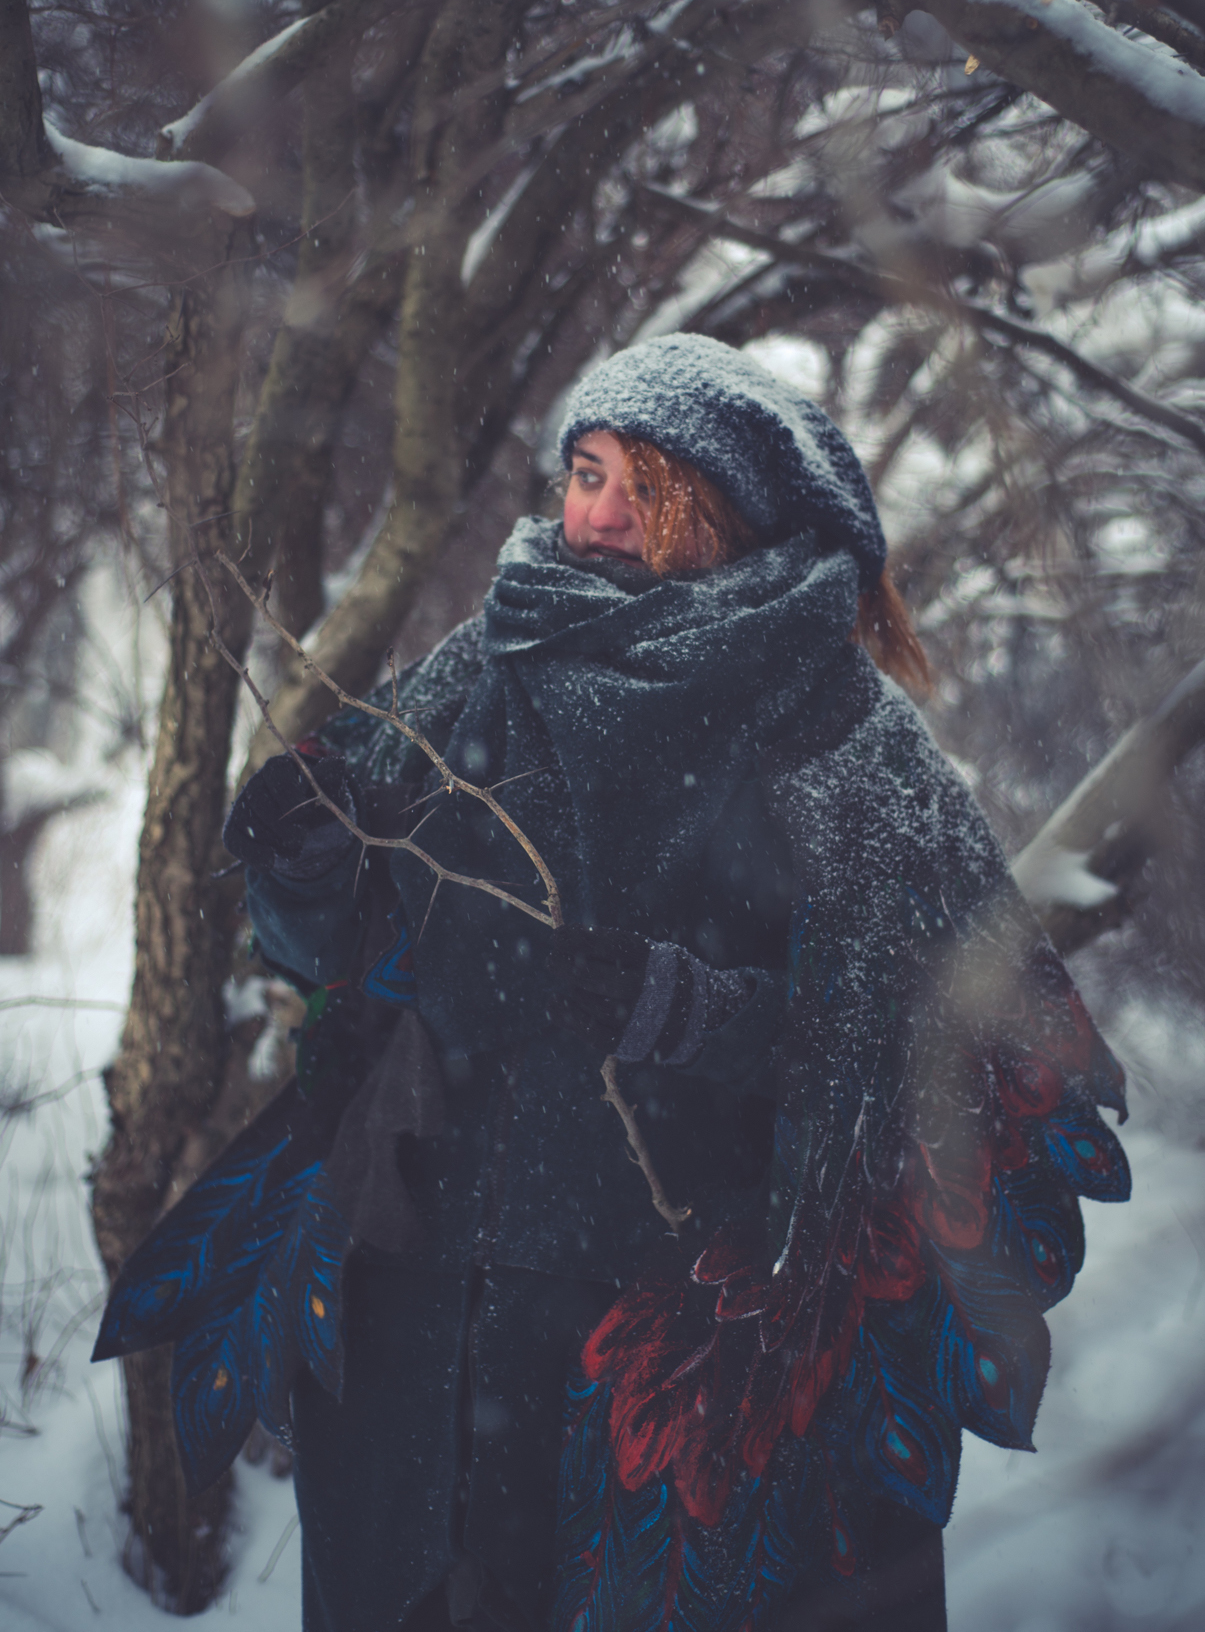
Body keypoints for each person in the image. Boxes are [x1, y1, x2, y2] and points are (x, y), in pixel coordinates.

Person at [94, 334, 1130, 1632]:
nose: (591, 515)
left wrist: (669, 1004)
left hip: (686, 1333)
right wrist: (301, 866)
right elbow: (340, 957)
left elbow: (936, 1043)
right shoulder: (485, 664)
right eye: (581, 472)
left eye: (639, 487)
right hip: (441, 1292)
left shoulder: (840, 731)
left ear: (724, 514)